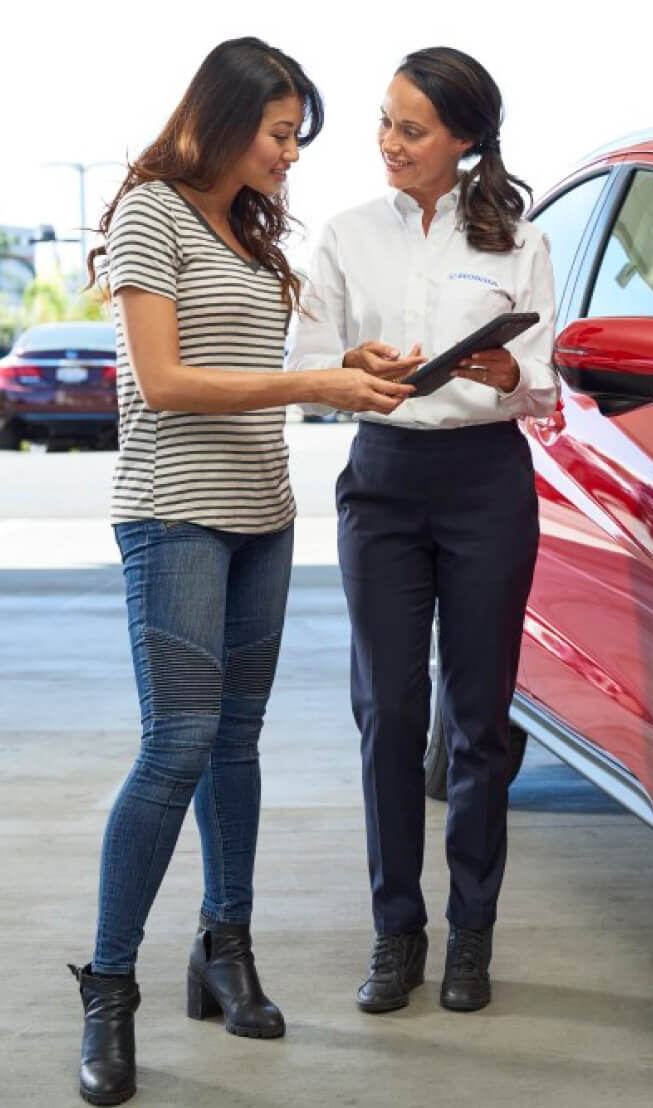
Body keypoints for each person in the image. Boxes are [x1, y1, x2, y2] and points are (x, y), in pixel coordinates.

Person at [73, 37, 414, 1106]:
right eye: (278, 135)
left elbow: (269, 365)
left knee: (234, 741)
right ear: (223, 120)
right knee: (175, 742)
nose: (290, 157)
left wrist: (344, 366)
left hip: (263, 516)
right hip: (174, 515)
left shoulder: (254, 237)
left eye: (295, 139)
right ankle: (109, 986)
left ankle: (225, 951)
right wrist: (314, 380)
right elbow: (166, 383)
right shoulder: (150, 214)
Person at [288, 45, 557, 1016]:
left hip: (487, 481)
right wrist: (346, 363)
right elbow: (307, 358)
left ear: (464, 139)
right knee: (390, 716)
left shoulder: (517, 237)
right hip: (384, 481)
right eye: (386, 122)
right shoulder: (349, 233)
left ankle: (471, 938)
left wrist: (505, 377)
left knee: (480, 725)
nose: (388, 143)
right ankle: (396, 928)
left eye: (410, 128)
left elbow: (543, 384)